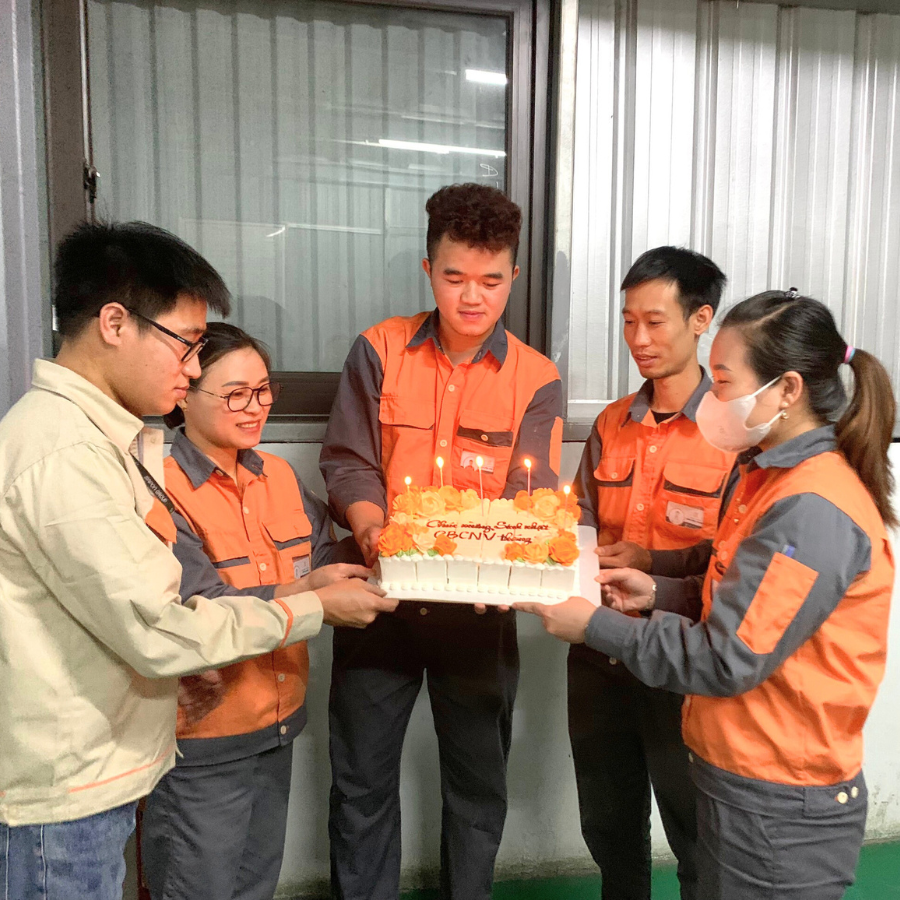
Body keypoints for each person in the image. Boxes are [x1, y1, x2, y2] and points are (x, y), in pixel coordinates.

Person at [0, 222, 395, 900]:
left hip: (117, 761)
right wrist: (312, 606)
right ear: (115, 323)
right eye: (185, 345)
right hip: (70, 789)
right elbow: (162, 626)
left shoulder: (110, 444)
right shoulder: (68, 455)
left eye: (262, 390)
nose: (189, 368)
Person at [517, 291, 895, 900]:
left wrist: (594, 626)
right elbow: (739, 595)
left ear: (787, 389)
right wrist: (657, 590)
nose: (712, 400)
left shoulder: (812, 507)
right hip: (738, 773)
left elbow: (728, 658)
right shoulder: (766, 475)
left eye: (723, 382)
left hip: (779, 798)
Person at [320, 182, 563, 900]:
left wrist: (497, 566)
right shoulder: (379, 348)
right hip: (378, 601)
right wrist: (374, 530)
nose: (472, 297)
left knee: (477, 784)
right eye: (455, 277)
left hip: (477, 614)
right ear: (429, 270)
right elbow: (349, 460)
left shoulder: (536, 378)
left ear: (513, 276)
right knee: (361, 781)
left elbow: (530, 494)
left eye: (491, 280)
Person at [140, 323, 372, 900]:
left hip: (277, 727)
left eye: (264, 390)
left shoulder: (280, 477)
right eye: (236, 394)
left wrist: (399, 547)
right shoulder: (159, 490)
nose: (255, 408)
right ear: (184, 395)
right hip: (202, 742)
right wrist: (311, 594)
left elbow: (326, 557)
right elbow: (199, 610)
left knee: (255, 885)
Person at [569, 247, 733, 900]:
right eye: (629, 321)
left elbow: (734, 558)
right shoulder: (612, 423)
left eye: (655, 322)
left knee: (696, 832)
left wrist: (650, 566)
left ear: (701, 320)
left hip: (682, 658)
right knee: (607, 824)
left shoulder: (733, 432)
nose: (638, 338)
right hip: (598, 653)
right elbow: (577, 524)